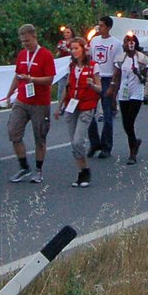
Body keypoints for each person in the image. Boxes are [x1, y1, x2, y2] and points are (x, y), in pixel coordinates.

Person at [6, 23, 56, 183]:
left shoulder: (46, 55)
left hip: (40, 103)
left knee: (39, 137)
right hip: (22, 100)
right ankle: (23, 166)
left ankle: (38, 169)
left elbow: (50, 79)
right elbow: (17, 75)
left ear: (34, 37)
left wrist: (32, 79)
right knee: (13, 131)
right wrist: (9, 93)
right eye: (22, 42)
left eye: (27, 41)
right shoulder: (22, 55)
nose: (25, 44)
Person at [57, 38, 102, 187]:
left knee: (78, 140)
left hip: (86, 106)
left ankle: (86, 171)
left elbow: (99, 88)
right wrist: (59, 107)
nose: (74, 51)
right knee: (73, 143)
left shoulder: (93, 67)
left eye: (77, 48)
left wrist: (92, 85)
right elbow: (67, 87)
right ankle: (81, 171)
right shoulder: (72, 66)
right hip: (71, 105)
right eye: (72, 49)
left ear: (83, 49)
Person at [86, 16, 121, 159]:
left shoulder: (116, 43)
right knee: (88, 113)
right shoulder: (94, 41)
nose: (99, 28)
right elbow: (91, 60)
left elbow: (117, 66)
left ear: (108, 27)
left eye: (101, 26)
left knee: (107, 115)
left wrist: (113, 85)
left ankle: (107, 146)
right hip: (96, 77)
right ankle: (94, 143)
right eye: (98, 25)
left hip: (107, 78)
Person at [115, 33, 148, 164]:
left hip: (136, 92)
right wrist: (112, 92)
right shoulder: (121, 58)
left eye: (129, 42)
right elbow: (117, 75)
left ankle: (132, 153)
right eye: (125, 42)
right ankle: (135, 141)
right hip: (124, 92)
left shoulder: (142, 59)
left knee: (130, 121)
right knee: (125, 123)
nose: (126, 44)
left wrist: (138, 73)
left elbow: (144, 79)